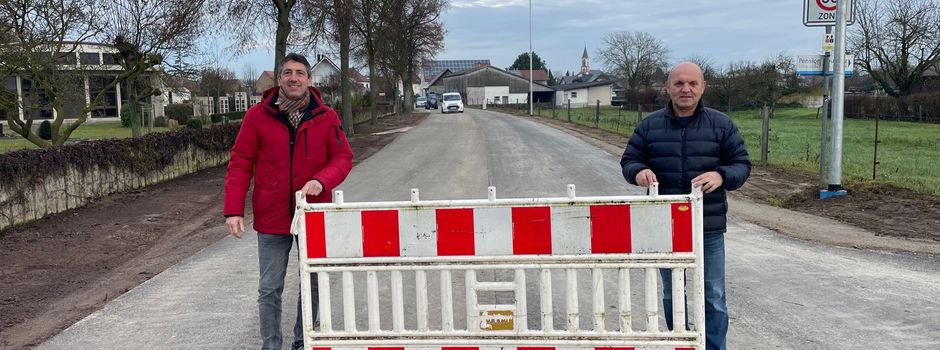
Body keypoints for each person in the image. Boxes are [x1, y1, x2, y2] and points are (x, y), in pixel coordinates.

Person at [223, 53, 353, 350]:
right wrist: (233, 210)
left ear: (309, 80)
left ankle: (303, 342)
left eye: (300, 73)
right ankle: (271, 345)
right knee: (269, 288)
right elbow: (241, 162)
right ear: (279, 79)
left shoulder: (326, 116)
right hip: (271, 216)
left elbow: (343, 157)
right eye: (287, 73)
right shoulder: (257, 116)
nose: (293, 78)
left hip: (313, 214)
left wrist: (321, 181)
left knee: (313, 282)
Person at [620, 62, 750, 350]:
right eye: (679, 83)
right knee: (672, 294)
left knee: (714, 295)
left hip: (708, 226)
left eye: (692, 83)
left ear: (703, 87)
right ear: (668, 88)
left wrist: (721, 175)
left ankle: (715, 347)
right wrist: (638, 171)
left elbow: (741, 165)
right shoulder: (649, 126)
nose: (685, 89)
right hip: (665, 227)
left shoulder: (722, 124)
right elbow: (629, 161)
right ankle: (681, 344)